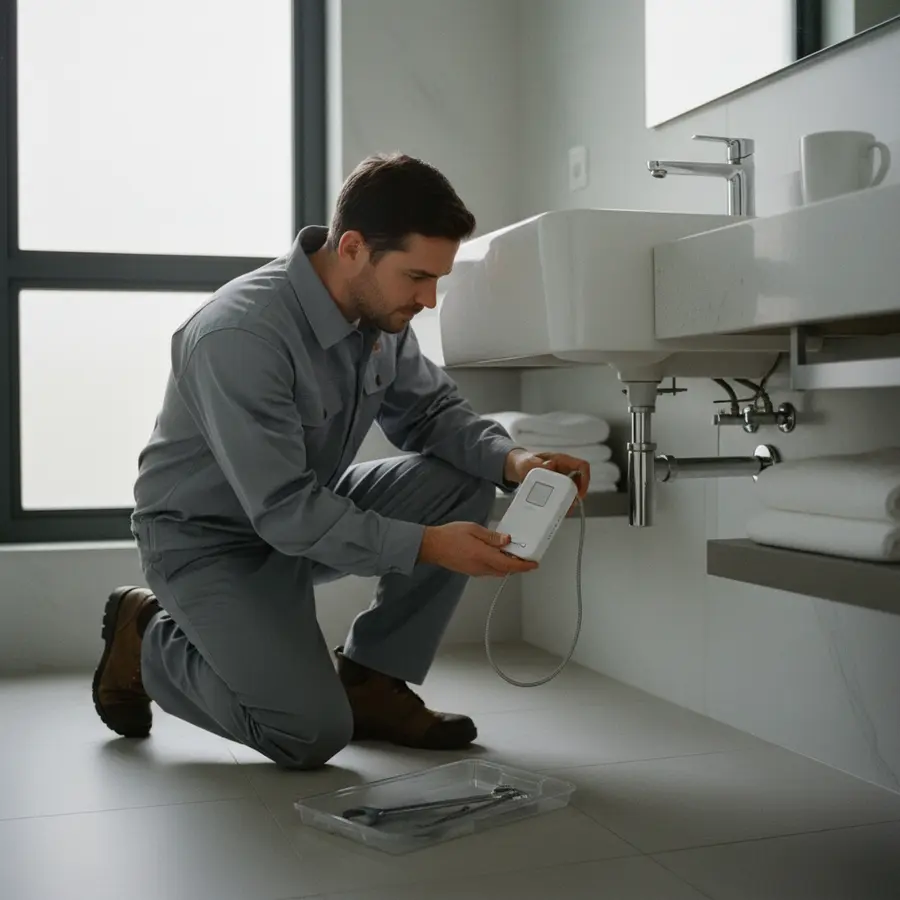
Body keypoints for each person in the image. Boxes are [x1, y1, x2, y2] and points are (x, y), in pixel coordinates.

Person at [91, 153, 591, 769]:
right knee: (308, 733)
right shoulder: (241, 337)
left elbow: (432, 415)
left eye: (438, 279)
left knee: (465, 476)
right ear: (353, 247)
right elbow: (285, 512)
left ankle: (371, 682)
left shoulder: (377, 316)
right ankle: (145, 637)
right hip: (209, 544)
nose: (430, 300)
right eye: (417, 277)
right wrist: (430, 546)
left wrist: (516, 460)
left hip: (299, 516)